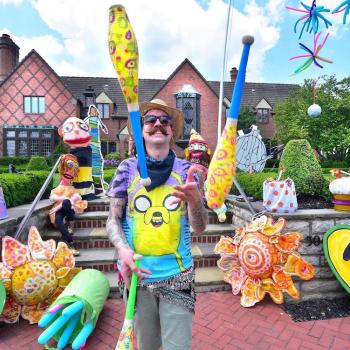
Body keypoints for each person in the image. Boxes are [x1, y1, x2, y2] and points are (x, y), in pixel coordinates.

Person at [106, 99, 208, 350]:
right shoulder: (126, 169)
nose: (158, 124)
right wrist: (122, 250)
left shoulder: (187, 171)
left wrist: (196, 203)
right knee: (146, 346)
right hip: (137, 277)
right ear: (142, 130)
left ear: (172, 131)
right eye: (150, 120)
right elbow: (113, 220)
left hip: (178, 277)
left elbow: (201, 227)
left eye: (165, 121)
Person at [49, 154, 88, 256]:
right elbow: (53, 197)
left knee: (67, 201)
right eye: (66, 170)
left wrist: (60, 205)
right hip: (60, 211)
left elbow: (77, 198)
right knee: (58, 220)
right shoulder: (56, 189)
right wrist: (62, 203)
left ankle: (69, 224)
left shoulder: (72, 189)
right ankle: (71, 243)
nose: (68, 174)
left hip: (68, 209)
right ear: (62, 171)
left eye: (71, 172)